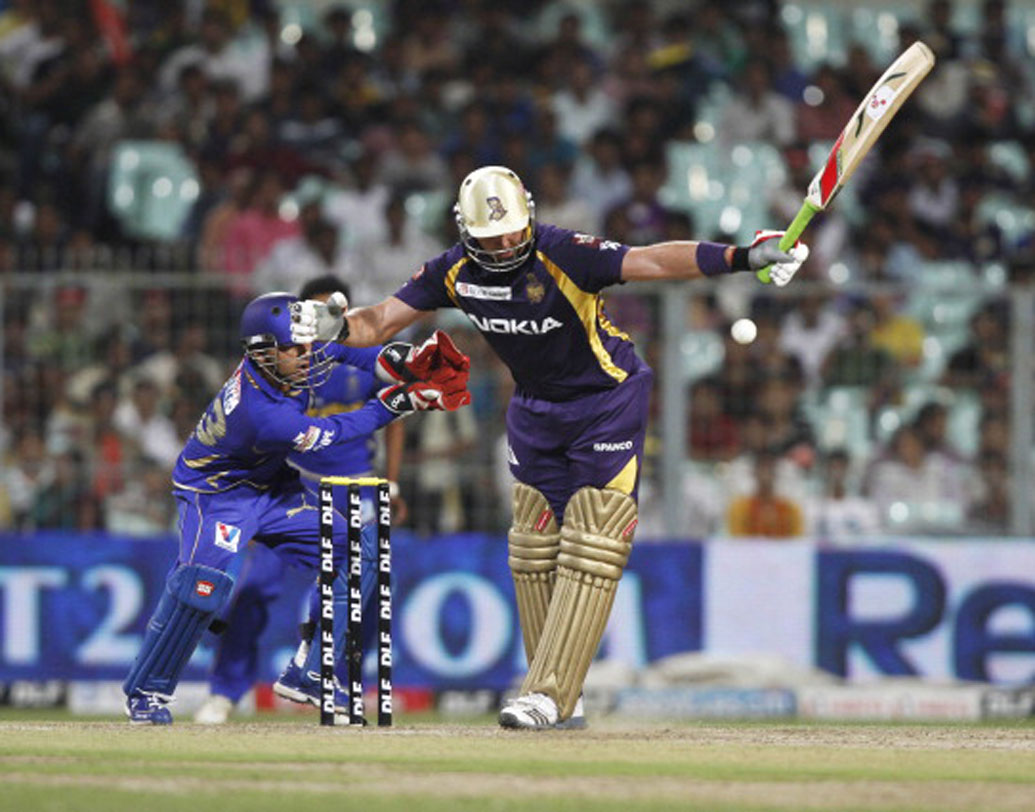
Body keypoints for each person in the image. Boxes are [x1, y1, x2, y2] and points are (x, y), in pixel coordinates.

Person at [289, 165, 807, 730]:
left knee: (594, 533)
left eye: (513, 231)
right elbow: (379, 322)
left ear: (529, 217)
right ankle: (563, 701)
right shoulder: (453, 271)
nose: (505, 245)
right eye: (491, 238)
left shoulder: (563, 252)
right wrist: (328, 325)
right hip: (535, 407)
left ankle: (547, 694)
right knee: (533, 546)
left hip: (607, 398)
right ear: (465, 231)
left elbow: (653, 261)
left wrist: (743, 257)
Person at [122, 291, 470, 724]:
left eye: (306, 344)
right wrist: (401, 402)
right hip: (216, 494)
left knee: (361, 553)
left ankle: (311, 673)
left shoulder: (287, 355)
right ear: (263, 351)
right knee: (201, 589)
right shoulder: (261, 413)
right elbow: (335, 431)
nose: (307, 355)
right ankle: (146, 693)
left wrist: (411, 361)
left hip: (270, 485)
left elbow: (358, 355)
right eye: (295, 348)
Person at [193, 277, 409, 724]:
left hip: (356, 486)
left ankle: (337, 685)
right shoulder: (281, 360)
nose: (315, 326)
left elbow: (395, 415)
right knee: (255, 590)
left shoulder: (359, 357)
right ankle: (225, 692)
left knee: (362, 595)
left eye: (326, 315)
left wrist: (392, 483)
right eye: (308, 315)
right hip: (294, 485)